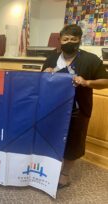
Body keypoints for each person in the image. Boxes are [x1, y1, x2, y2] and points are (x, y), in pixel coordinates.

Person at [42, 24, 108, 188]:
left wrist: (86, 82)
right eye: (65, 39)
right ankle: (51, 167)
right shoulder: (51, 59)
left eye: (73, 39)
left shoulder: (91, 60)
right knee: (51, 138)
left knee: (73, 142)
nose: (69, 42)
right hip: (53, 108)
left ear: (79, 40)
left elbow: (105, 81)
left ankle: (64, 175)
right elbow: (40, 81)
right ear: (60, 40)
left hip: (78, 110)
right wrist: (44, 74)